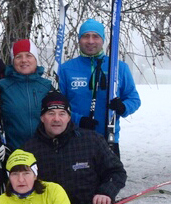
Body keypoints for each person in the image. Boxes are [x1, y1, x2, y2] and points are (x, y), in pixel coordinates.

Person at [57, 18, 141, 154]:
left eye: (96, 36)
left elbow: (134, 99)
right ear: (79, 39)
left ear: (102, 40)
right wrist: (78, 120)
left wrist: (123, 107)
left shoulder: (119, 68)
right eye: (86, 36)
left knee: (111, 176)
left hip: (108, 140)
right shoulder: (66, 69)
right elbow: (57, 106)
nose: (90, 41)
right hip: (74, 139)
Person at [0, 39, 56, 151]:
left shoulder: (47, 86)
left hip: (44, 150)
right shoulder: (2, 86)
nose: (24, 60)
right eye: (18, 56)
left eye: (29, 55)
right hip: (14, 150)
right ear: (13, 61)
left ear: (35, 59)